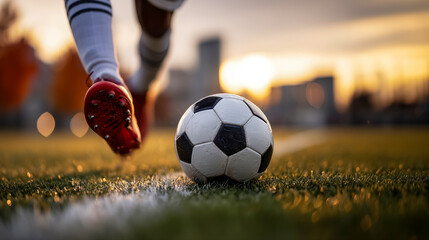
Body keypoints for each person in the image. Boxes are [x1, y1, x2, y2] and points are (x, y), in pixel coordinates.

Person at [64, 0, 184, 155]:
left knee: (156, 20)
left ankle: (140, 89)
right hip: (108, 80)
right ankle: (107, 79)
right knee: (155, 21)